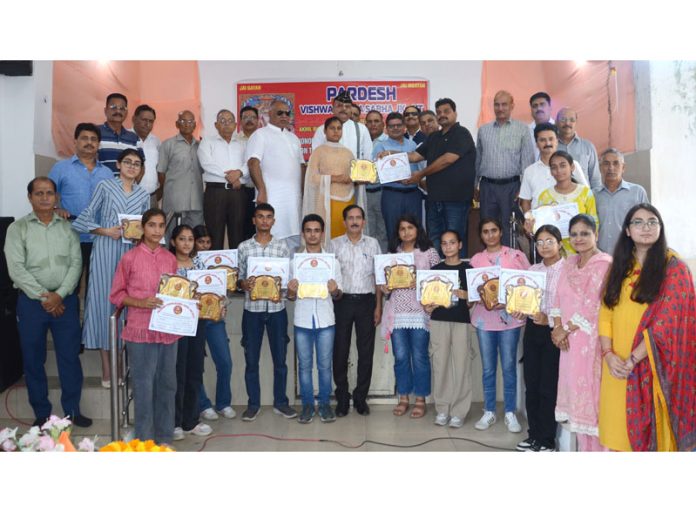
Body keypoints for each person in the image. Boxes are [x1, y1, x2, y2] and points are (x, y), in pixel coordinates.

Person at [599, 204, 696, 451]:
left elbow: (666, 326)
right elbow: (605, 314)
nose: (646, 227)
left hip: (653, 367)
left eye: (653, 222)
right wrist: (608, 355)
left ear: (661, 229)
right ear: (628, 231)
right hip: (616, 367)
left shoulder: (674, 269)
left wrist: (632, 360)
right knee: (618, 437)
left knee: (653, 440)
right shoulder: (619, 267)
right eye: (638, 222)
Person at [4, 177, 91, 428]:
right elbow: (16, 269)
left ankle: (73, 411)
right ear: (30, 197)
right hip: (31, 304)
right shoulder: (17, 229)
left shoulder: (67, 229)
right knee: (33, 359)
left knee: (69, 358)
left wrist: (60, 295)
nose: (44, 197)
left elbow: (76, 264)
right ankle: (42, 413)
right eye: (39, 193)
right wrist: (45, 296)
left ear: (56, 197)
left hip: (65, 302)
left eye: (49, 193)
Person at [73, 148, 150, 386]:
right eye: (128, 162)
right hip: (106, 249)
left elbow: (148, 226)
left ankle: (126, 365)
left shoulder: (144, 194)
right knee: (104, 305)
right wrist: (106, 230)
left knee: (130, 306)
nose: (132, 167)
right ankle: (108, 369)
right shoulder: (105, 187)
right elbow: (84, 219)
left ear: (140, 170)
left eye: (137, 164)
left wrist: (140, 237)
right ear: (118, 164)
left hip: (132, 255)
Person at [109, 208, 179, 444]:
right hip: (139, 331)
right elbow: (117, 295)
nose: (157, 230)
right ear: (143, 228)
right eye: (152, 225)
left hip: (168, 331)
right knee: (143, 386)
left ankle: (165, 435)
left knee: (168, 385)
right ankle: (145, 438)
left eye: (161, 226)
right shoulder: (129, 258)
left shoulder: (170, 258)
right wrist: (140, 302)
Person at [549, 214, 611, 451]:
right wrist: (556, 328)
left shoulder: (604, 263)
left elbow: (593, 303)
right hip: (567, 342)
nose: (579, 238)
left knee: (592, 396)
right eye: (574, 234)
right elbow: (557, 296)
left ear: (596, 234)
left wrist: (564, 330)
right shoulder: (569, 262)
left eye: (585, 233)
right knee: (575, 396)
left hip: (590, 339)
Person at [469, 217, 530, 433]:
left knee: (508, 367)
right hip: (484, 321)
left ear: (501, 232)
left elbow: (529, 284)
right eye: (485, 231)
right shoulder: (476, 260)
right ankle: (489, 411)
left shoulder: (516, 256)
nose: (490, 235)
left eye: (494, 230)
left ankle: (510, 412)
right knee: (488, 369)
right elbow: (472, 291)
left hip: (510, 321)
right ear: (481, 235)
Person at [237, 203, 296, 421]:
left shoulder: (281, 247)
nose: (264, 220)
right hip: (251, 310)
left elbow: (287, 278)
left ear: (274, 221)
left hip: (277, 309)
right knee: (251, 360)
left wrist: (290, 287)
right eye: (260, 216)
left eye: (268, 217)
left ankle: (281, 403)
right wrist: (244, 284)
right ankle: (253, 404)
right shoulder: (244, 247)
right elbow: (239, 278)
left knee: (280, 360)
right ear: (254, 220)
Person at [398, 98, 476, 257]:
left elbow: (447, 159)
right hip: (434, 200)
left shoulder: (462, 133)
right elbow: (414, 156)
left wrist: (420, 174)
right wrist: (390, 156)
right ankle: (438, 279)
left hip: (456, 200)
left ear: (455, 113)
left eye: (446, 111)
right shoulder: (434, 138)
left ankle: (457, 279)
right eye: (439, 112)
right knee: (434, 241)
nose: (442, 115)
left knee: (454, 241)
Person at [380, 214, 440, 419]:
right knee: (401, 357)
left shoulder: (429, 253)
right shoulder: (391, 254)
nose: (406, 232)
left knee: (420, 357)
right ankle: (404, 397)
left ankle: (421, 399)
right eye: (402, 229)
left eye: (410, 228)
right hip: (396, 313)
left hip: (419, 313)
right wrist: (385, 287)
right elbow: (384, 286)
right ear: (398, 233)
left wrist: (421, 283)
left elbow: (437, 281)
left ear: (417, 229)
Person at [287, 214, 343, 423]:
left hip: (326, 320)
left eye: (316, 230)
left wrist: (335, 289)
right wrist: (291, 291)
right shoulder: (294, 263)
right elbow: (290, 296)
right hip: (302, 319)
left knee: (324, 365)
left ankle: (326, 405)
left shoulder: (332, 262)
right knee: (304, 365)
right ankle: (308, 406)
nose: (312, 234)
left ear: (322, 233)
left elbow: (339, 295)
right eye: (308, 230)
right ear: (303, 234)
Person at [48, 122, 113, 300]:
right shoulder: (61, 168)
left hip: (99, 238)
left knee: (97, 286)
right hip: (70, 236)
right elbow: (47, 195)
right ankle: (71, 326)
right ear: (75, 141)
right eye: (84, 138)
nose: (89, 142)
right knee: (69, 286)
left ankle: (90, 326)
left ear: (99, 144)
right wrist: (56, 208)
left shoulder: (107, 173)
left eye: (93, 139)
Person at [514, 225, 564, 452]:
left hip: (554, 331)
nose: (544, 246)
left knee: (548, 386)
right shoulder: (532, 270)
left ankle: (547, 439)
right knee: (531, 384)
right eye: (540, 242)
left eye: (549, 241)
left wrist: (551, 320)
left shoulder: (568, 270)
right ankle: (533, 435)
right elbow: (524, 299)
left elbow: (571, 304)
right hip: (532, 329)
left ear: (560, 243)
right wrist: (517, 308)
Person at [330, 204, 382, 416]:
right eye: (350, 218)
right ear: (344, 222)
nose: (354, 221)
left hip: (366, 302)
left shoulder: (373, 244)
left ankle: (361, 397)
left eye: (358, 218)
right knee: (340, 351)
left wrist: (379, 306)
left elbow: (379, 278)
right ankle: (342, 398)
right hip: (341, 302)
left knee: (365, 353)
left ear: (364, 221)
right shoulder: (334, 245)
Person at [168, 224, 212, 441]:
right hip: (175, 324)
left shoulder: (200, 263)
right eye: (182, 239)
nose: (186, 243)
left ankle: (191, 420)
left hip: (198, 323)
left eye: (190, 239)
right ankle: (175, 422)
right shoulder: (167, 264)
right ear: (174, 241)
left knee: (195, 371)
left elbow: (209, 292)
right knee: (177, 373)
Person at [424, 230, 472, 428]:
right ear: (441, 247)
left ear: (460, 245)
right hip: (439, 321)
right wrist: (429, 305)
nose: (448, 246)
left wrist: (463, 294)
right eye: (444, 243)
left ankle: (459, 411)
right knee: (440, 365)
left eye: (452, 242)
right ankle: (442, 409)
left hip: (461, 321)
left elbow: (472, 303)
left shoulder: (469, 270)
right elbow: (427, 302)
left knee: (462, 367)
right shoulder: (435, 271)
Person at [475, 90, 535, 246]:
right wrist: (474, 185)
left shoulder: (522, 129)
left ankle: (509, 265)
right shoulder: (483, 130)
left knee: (510, 228)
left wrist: (524, 190)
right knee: (488, 226)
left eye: (504, 104)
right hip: (487, 187)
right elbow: (478, 160)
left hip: (512, 187)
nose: (500, 108)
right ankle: (490, 265)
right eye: (497, 104)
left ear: (512, 105)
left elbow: (527, 162)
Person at [246, 100, 305, 254]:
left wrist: (304, 193)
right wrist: (261, 190)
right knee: (272, 240)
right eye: (280, 113)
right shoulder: (260, 135)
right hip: (272, 198)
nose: (284, 116)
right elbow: (253, 163)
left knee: (294, 241)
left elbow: (301, 166)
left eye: (287, 113)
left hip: (294, 201)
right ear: (269, 114)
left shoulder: (294, 138)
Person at [194, 225, 236, 422]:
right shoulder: (186, 264)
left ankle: (223, 403)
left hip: (215, 319)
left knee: (225, 362)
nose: (204, 246)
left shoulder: (219, 263)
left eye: (207, 242)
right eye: (200, 242)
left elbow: (224, 293)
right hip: (194, 321)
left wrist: (223, 304)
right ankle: (203, 405)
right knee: (197, 366)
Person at [197, 109, 249, 249]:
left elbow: (249, 164)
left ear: (235, 124)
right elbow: (206, 163)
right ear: (216, 125)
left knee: (238, 235)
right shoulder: (207, 142)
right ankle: (215, 270)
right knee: (214, 235)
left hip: (238, 193)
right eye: (222, 121)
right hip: (215, 193)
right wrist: (230, 176)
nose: (226, 124)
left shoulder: (242, 143)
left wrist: (239, 173)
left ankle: (236, 270)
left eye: (230, 121)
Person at [302, 116, 358, 244]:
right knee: (330, 237)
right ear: (325, 131)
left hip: (348, 200)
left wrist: (357, 178)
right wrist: (334, 178)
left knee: (346, 234)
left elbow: (355, 175)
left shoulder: (348, 153)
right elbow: (312, 178)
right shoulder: (319, 152)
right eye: (332, 128)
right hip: (327, 201)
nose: (336, 131)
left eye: (339, 128)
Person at [373, 112, 424, 242]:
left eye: (398, 125)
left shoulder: (413, 145)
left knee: (415, 232)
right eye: (391, 126)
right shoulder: (380, 146)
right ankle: (395, 261)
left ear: (404, 127)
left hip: (413, 194)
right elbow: (375, 173)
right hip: (391, 195)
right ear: (386, 128)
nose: (395, 128)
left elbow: (421, 171)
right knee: (393, 232)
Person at [535, 151, 598, 254]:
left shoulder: (585, 193)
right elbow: (542, 227)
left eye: (563, 165)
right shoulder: (545, 196)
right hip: (554, 254)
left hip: (581, 251)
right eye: (554, 167)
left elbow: (594, 222)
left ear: (572, 167)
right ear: (550, 171)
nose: (558, 170)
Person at [518, 123, 587, 213]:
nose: (548, 143)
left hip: (569, 223)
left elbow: (585, 193)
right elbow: (525, 201)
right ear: (536, 144)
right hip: (541, 224)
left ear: (557, 141)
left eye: (551, 139)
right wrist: (531, 221)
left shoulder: (572, 165)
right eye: (542, 140)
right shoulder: (529, 171)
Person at [157, 110, 205, 238]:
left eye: (190, 121)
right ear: (177, 124)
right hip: (175, 202)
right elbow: (161, 173)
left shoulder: (201, 146)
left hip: (196, 201)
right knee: (171, 237)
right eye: (183, 121)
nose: (187, 124)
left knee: (195, 238)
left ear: (195, 125)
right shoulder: (168, 144)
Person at [594, 148, 649, 254]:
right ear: (600, 168)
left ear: (623, 167)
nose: (611, 168)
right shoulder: (593, 195)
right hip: (599, 256)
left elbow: (646, 224)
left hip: (629, 255)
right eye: (606, 164)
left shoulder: (637, 192)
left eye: (616, 163)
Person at [311, 91, 373, 161]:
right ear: (333, 109)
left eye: (347, 106)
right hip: (329, 171)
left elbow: (368, 157)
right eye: (339, 105)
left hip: (355, 171)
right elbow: (315, 157)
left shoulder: (362, 129)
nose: (344, 109)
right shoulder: (321, 130)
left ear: (351, 110)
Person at [233, 105, 261, 241]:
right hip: (241, 190)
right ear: (240, 121)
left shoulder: (264, 139)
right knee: (241, 227)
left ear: (258, 120)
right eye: (245, 117)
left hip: (260, 190)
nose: (249, 120)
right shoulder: (234, 141)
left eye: (253, 117)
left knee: (261, 226)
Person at [556, 107, 601, 189]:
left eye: (572, 120)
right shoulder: (551, 147)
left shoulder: (588, 147)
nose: (567, 123)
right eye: (563, 119)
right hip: (557, 198)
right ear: (556, 122)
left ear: (576, 122)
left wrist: (594, 199)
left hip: (583, 198)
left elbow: (595, 179)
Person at [98, 92, 141, 177]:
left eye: (122, 108)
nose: (118, 111)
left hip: (126, 190)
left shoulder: (134, 138)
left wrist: (130, 187)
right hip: (100, 188)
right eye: (113, 107)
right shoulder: (95, 132)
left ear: (126, 112)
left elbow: (141, 167)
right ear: (105, 110)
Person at [363, 110, 388, 250]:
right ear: (365, 124)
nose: (373, 124)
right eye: (370, 121)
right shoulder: (361, 141)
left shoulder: (388, 142)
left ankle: (383, 263)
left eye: (376, 121)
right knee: (367, 230)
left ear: (382, 124)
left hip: (382, 191)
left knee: (383, 231)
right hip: (363, 191)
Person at [131, 104, 160, 203]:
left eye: (151, 121)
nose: (147, 124)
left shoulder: (156, 141)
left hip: (151, 196)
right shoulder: (125, 138)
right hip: (130, 196)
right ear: (134, 119)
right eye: (144, 120)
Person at [527, 92, 554, 159]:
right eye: (535, 106)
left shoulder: (559, 129)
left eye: (542, 104)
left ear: (550, 107)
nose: (539, 108)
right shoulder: (525, 131)